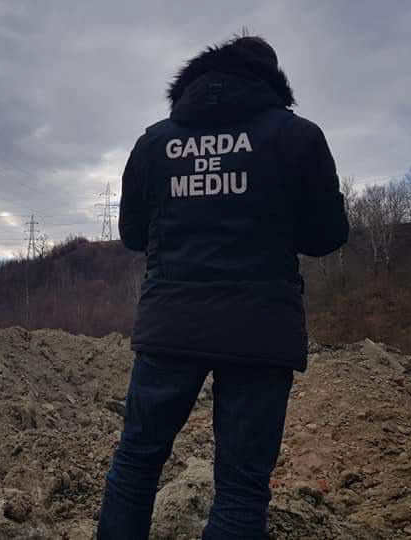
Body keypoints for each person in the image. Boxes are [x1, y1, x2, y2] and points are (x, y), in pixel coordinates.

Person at [96, 34, 349, 539]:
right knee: (241, 488)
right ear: (271, 80)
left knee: (137, 463)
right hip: (260, 329)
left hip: (171, 324)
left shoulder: (154, 143)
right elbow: (326, 237)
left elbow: (132, 235)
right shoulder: (297, 136)